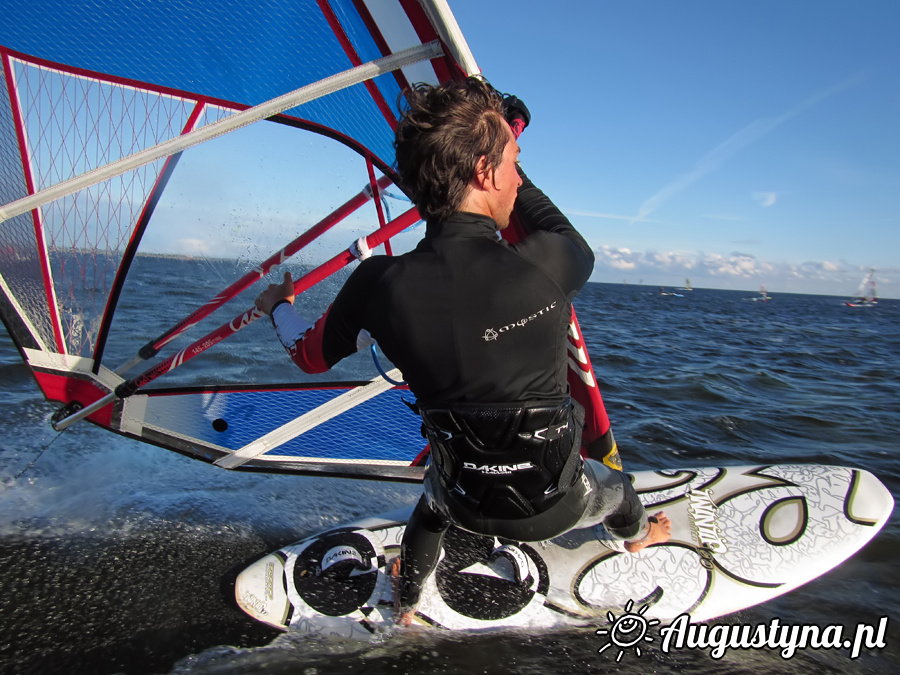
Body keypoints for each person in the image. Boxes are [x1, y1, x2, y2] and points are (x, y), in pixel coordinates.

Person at [255, 77, 670, 626]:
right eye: (514, 161)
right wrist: (505, 136)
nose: (518, 178)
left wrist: (278, 306)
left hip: (462, 499)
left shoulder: (378, 283)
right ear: (484, 170)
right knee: (615, 488)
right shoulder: (547, 264)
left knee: (431, 505)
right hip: (557, 506)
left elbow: (305, 355)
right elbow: (542, 215)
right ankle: (636, 537)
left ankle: (407, 605)